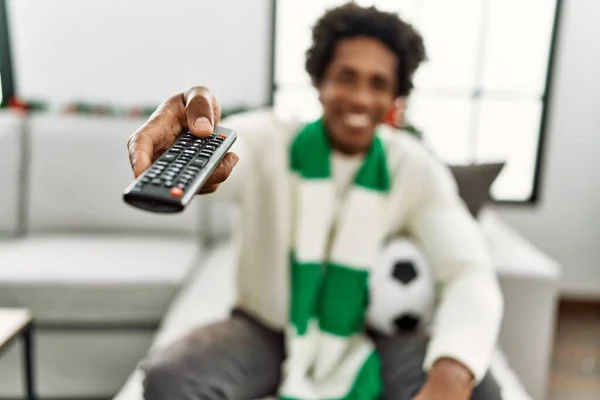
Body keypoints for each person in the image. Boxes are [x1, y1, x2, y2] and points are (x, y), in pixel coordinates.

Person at [127, 3, 504, 400]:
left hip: (369, 340)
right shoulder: (271, 138)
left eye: (378, 84)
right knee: (171, 375)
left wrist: (452, 374)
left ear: (396, 97)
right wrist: (188, 145)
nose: (360, 98)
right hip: (265, 331)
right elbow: (234, 154)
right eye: (346, 77)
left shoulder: (414, 167)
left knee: (478, 383)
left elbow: (468, 272)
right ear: (320, 82)